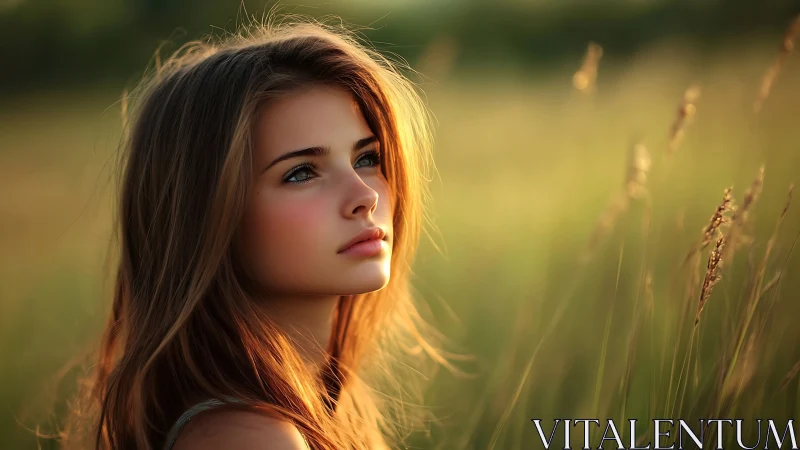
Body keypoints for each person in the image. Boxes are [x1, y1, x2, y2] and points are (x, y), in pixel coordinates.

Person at [59, 14, 451, 450]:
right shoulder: (251, 437)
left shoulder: (282, 411)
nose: (365, 196)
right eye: (302, 172)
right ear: (207, 215)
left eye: (367, 158)